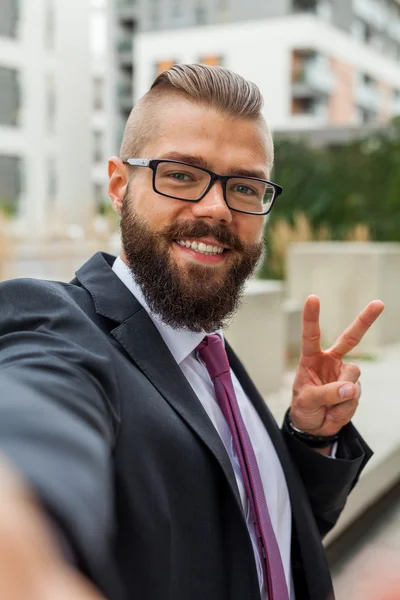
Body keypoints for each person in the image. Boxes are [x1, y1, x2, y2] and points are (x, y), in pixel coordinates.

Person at [0, 64, 384, 600]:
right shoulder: (59, 326)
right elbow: (35, 423)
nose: (217, 209)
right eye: (181, 174)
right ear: (118, 184)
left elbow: (255, 537)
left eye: (245, 186)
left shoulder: (208, 348)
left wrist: (308, 436)